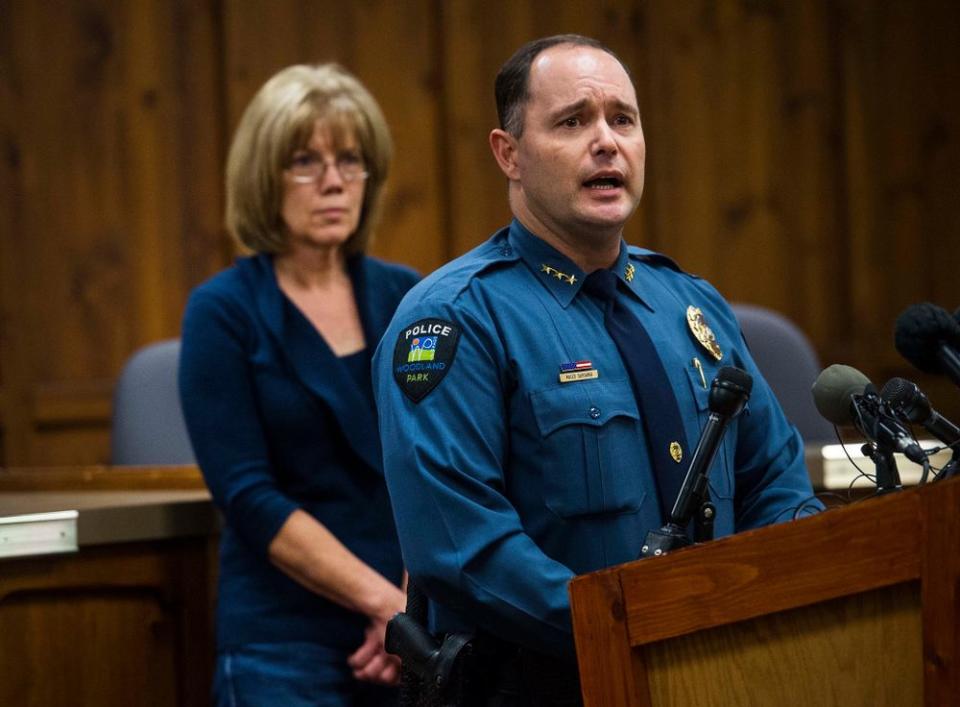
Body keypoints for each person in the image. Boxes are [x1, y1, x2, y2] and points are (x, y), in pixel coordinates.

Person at [372, 35, 820, 705]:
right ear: (509, 154)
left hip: (722, 674)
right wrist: (635, 629)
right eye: (573, 120)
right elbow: (465, 550)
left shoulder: (691, 305)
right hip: (547, 683)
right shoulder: (453, 319)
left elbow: (775, 487)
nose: (606, 141)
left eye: (623, 119)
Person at [179, 63, 418, 706]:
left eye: (351, 160)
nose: (335, 181)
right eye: (306, 162)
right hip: (280, 642)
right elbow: (249, 496)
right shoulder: (223, 311)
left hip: (411, 630)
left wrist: (412, 608)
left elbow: (438, 469)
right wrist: (386, 605)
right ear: (266, 178)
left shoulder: (410, 299)